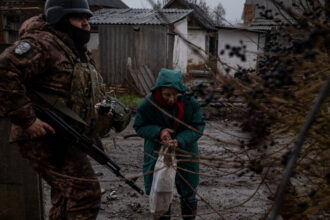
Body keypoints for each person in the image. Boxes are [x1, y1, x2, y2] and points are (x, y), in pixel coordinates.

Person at [0, 0, 105, 219]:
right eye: (79, 18)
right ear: (60, 18)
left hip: (67, 136)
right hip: (46, 136)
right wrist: (27, 120)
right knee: (85, 194)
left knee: (66, 195)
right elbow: (4, 70)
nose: (86, 24)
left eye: (87, 18)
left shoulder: (72, 48)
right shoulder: (43, 43)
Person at [134, 68, 205, 220]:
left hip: (186, 152)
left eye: (175, 94)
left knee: (188, 192)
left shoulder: (190, 103)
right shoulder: (148, 104)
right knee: (161, 192)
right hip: (157, 151)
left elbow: (198, 126)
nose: (172, 99)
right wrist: (159, 132)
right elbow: (139, 126)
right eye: (167, 94)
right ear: (159, 91)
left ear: (180, 91)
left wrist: (180, 141)